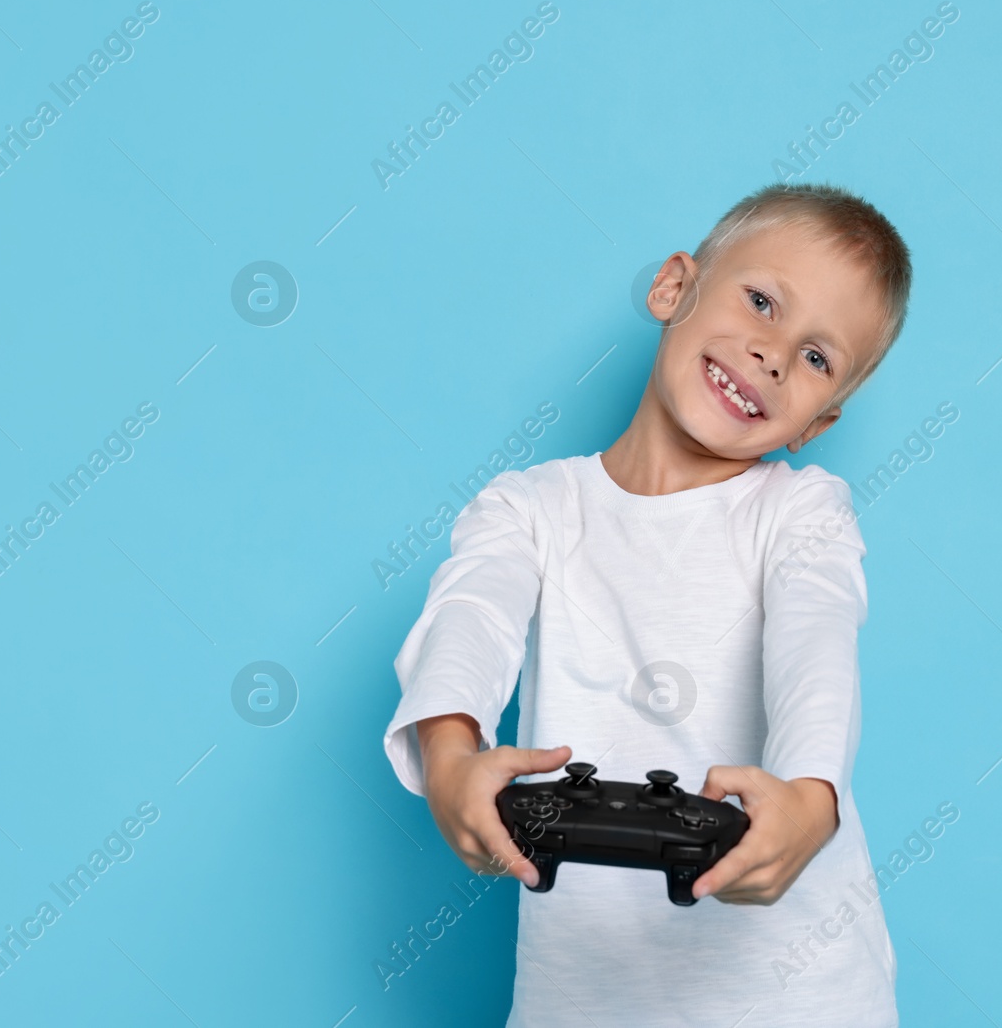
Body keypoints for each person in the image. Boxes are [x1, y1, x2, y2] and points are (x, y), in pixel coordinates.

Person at [383, 182, 911, 1026]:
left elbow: (819, 650)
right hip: (582, 996)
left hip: (799, 998)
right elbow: (471, 616)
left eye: (817, 358)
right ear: (674, 287)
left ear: (819, 421)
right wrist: (449, 757)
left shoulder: (803, 513)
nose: (774, 354)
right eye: (763, 301)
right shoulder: (529, 508)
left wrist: (812, 796)